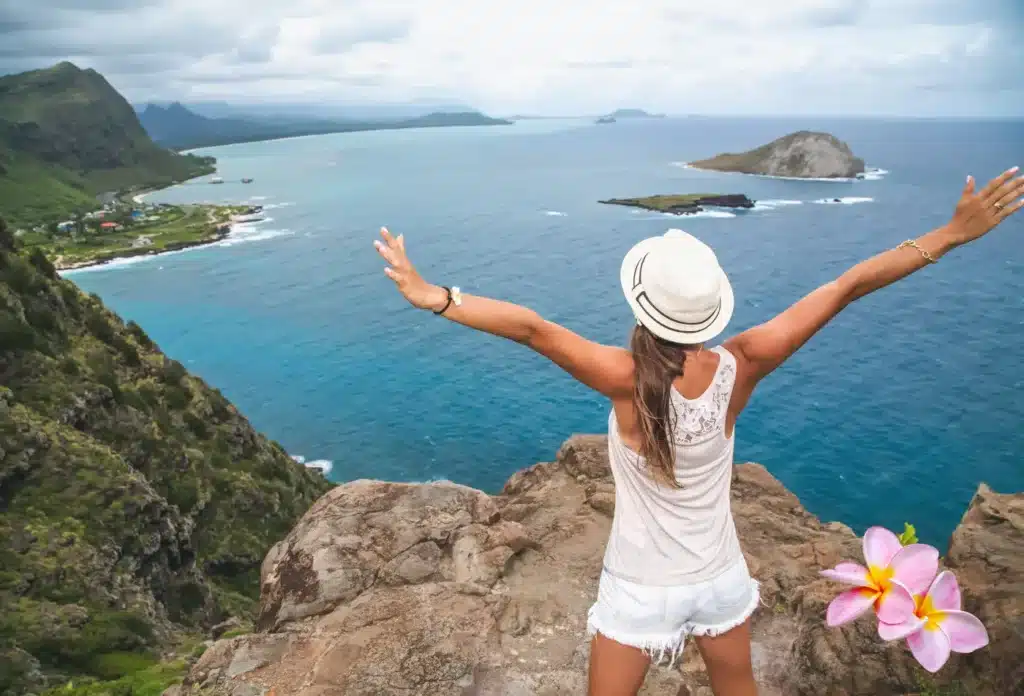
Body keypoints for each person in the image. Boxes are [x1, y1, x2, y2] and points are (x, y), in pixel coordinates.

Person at [372, 168, 1023, 696]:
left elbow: (534, 329)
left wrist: (438, 296)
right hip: (721, 579)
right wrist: (951, 234)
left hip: (639, 589)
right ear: (710, 308)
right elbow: (847, 285)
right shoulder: (744, 363)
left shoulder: (625, 378)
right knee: (736, 684)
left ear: (643, 305)